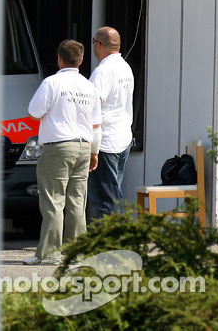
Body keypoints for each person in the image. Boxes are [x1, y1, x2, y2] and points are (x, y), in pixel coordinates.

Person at [24, 39, 101, 265]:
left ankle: (49, 254)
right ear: (82, 60)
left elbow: (34, 112)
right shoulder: (89, 86)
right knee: (77, 201)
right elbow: (96, 124)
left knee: (53, 201)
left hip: (58, 147)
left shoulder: (52, 83)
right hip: (84, 147)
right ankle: (77, 253)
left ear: (59, 59)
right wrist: (94, 152)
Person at [87, 26, 135, 220]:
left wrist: (92, 146)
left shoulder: (102, 72)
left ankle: (113, 243)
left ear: (98, 45)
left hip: (105, 142)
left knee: (105, 200)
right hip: (123, 138)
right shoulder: (125, 67)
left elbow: (92, 108)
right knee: (114, 195)